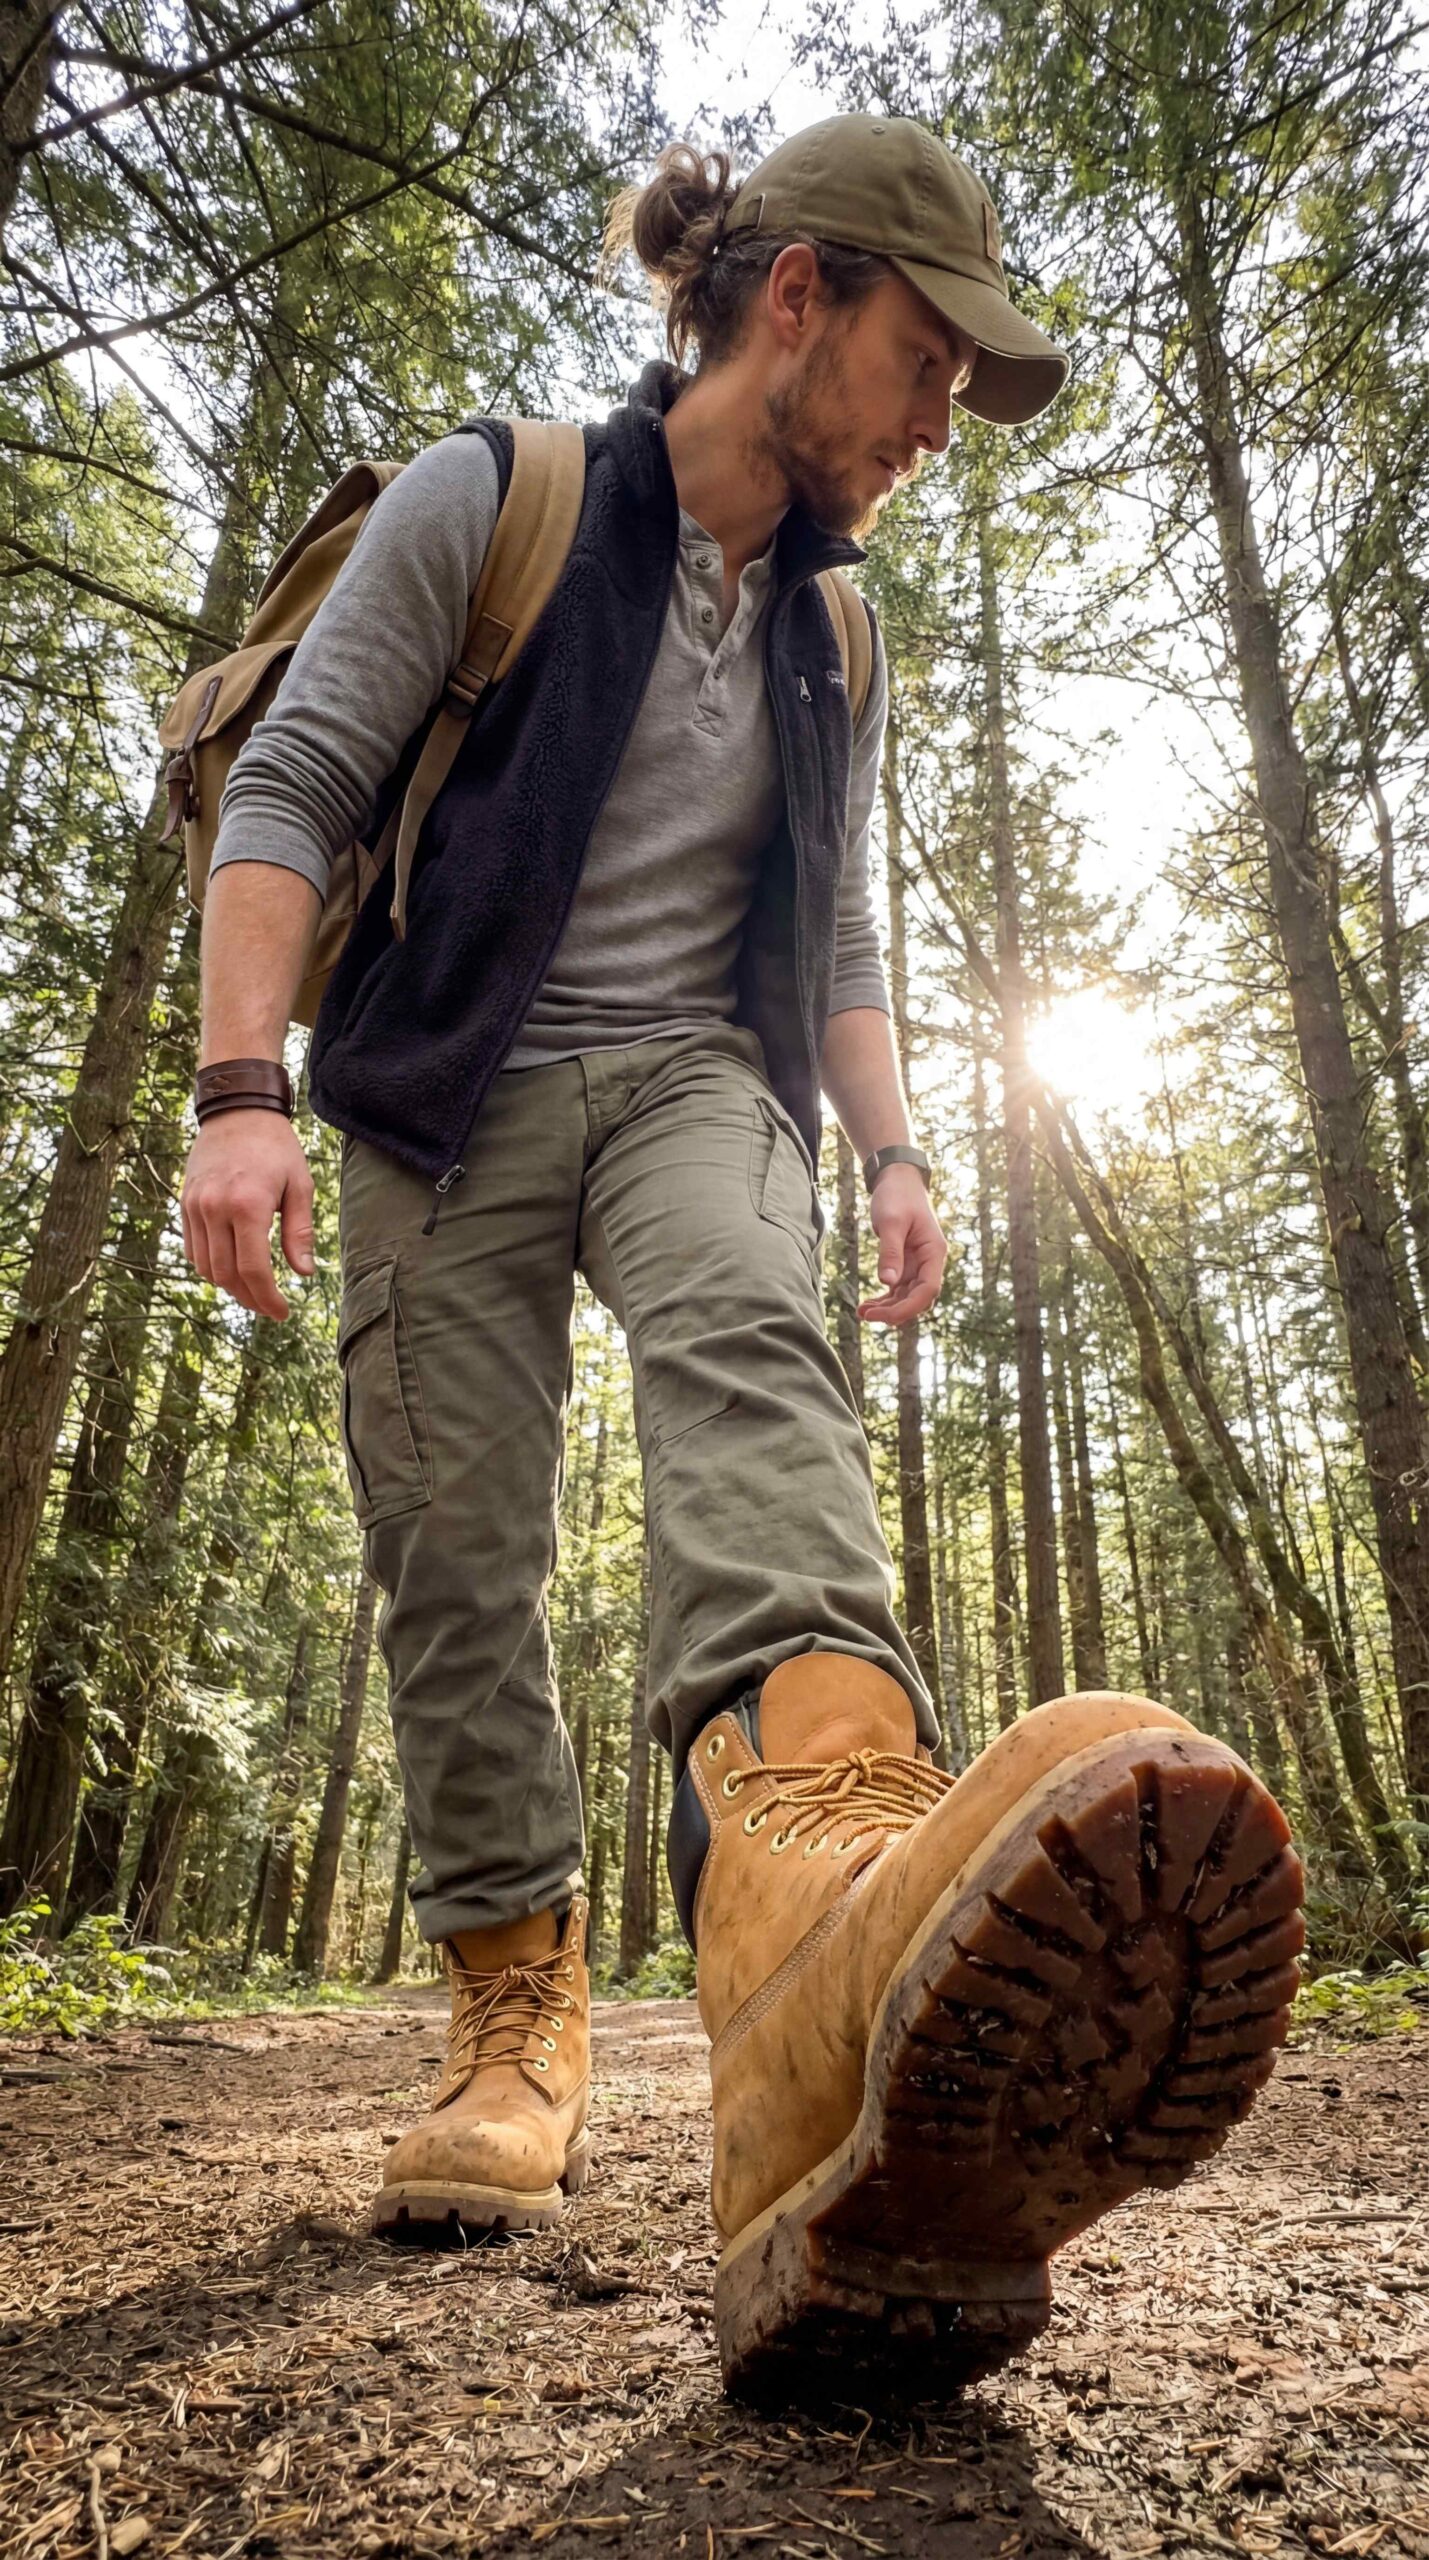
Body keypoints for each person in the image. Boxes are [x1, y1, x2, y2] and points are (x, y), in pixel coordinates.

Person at [181, 114, 1303, 2399]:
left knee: (746, 1358)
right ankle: (517, 2015)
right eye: (918, 366)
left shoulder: (839, 631)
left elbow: (845, 927)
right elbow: (295, 785)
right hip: (434, 1090)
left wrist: (888, 1149)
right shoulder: (488, 499)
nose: (927, 430)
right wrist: (235, 1092)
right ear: (794, 298)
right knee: (457, 1540)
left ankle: (828, 1903)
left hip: (698, 1074)